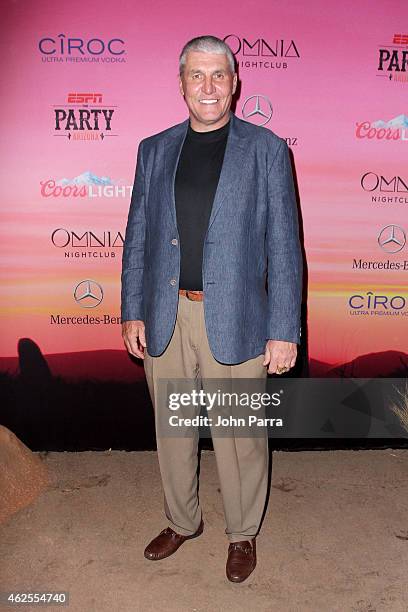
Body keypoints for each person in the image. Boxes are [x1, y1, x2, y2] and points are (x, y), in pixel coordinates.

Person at [121, 35, 303, 583]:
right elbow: (138, 240)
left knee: (240, 436)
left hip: (239, 317)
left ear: (235, 82)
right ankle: (182, 520)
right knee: (173, 430)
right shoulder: (153, 150)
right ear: (181, 84)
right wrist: (133, 309)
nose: (208, 87)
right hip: (166, 315)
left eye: (218, 75)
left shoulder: (267, 150)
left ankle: (242, 533)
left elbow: (285, 248)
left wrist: (284, 329)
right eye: (196, 75)